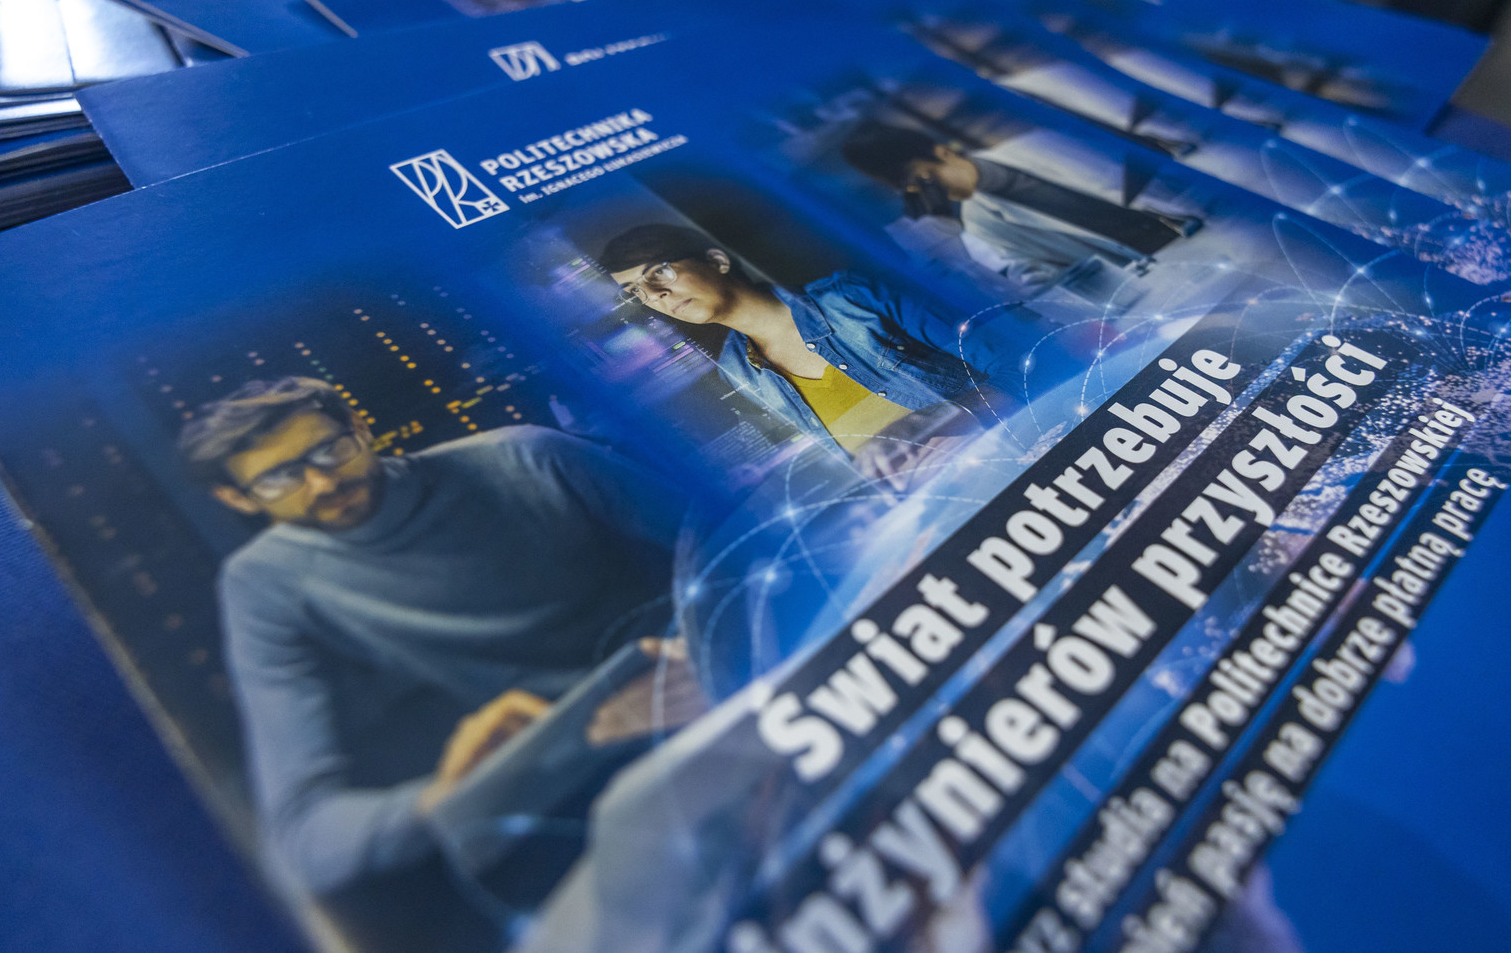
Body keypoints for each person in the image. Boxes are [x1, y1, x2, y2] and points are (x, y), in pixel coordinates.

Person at [179, 377, 699, 899]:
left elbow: (732, 544)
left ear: (359, 426)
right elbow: (304, 842)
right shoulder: (263, 585)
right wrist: (457, 791)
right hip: (573, 792)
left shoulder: (526, 459)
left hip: (701, 688)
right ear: (236, 498)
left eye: (330, 449)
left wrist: (708, 657)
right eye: (280, 477)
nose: (321, 482)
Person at [599, 223, 1024, 484]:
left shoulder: (851, 297)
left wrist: (949, 420)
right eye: (635, 292)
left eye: (660, 272)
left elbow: (1021, 362)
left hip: (1017, 455)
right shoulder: (736, 372)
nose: (655, 294)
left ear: (716, 261)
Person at [839, 121, 1202, 293]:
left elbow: (1156, 169)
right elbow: (1046, 285)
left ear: (942, 152)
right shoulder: (980, 227)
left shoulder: (1043, 143)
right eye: (911, 189)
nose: (928, 191)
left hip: (1207, 216)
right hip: (1176, 275)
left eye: (924, 177)